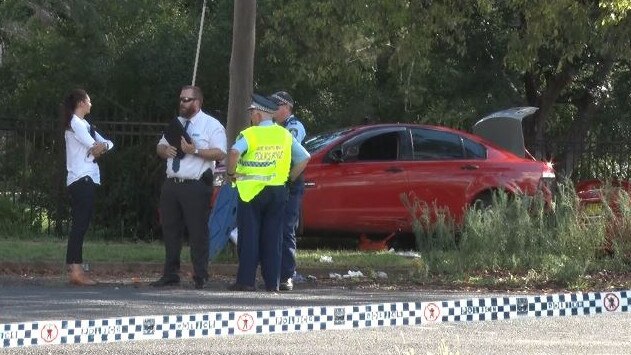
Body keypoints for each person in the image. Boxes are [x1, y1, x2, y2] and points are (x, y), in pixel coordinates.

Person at [226, 94, 310, 292]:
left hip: (251, 192)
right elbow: (304, 157)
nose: (250, 117)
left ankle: (246, 281)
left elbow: (235, 152)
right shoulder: (284, 134)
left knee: (250, 237)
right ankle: (273, 283)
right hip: (277, 191)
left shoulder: (250, 134)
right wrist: (289, 178)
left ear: (257, 114)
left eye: (251, 113)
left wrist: (231, 173)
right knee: (273, 238)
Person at [151, 85, 227, 289]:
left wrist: (196, 150)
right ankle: (170, 274)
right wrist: (164, 150)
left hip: (195, 185)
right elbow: (160, 145)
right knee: (170, 230)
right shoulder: (176, 123)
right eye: (181, 99)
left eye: (187, 100)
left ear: (198, 102)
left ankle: (200, 275)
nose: (182, 103)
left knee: (197, 232)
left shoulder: (211, 125)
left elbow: (220, 153)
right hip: (172, 183)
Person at [62, 88, 114, 286]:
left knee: (81, 224)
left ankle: (75, 267)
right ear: (82, 102)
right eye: (89, 100)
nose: (91, 103)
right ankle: (75, 270)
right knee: (80, 225)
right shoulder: (75, 124)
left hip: (88, 178)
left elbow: (107, 143)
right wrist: (99, 147)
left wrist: (104, 146)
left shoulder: (85, 125)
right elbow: (94, 146)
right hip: (81, 179)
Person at [269, 91, 306, 291]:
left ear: (286, 107)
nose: (273, 109)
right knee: (273, 228)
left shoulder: (294, 126)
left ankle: (286, 275)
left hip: (290, 183)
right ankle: (273, 273)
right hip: (274, 182)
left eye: (276, 105)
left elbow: (289, 151)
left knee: (286, 229)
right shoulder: (273, 127)